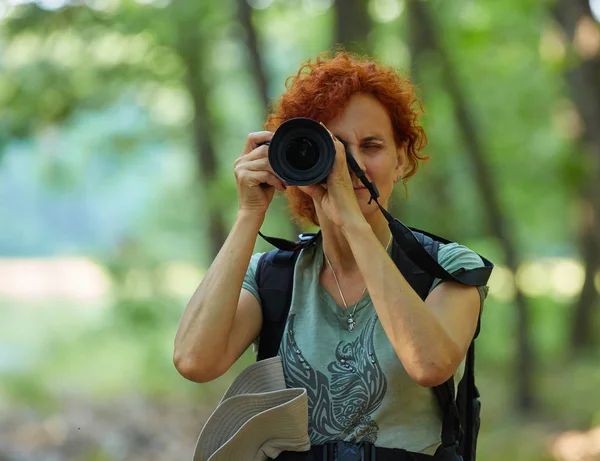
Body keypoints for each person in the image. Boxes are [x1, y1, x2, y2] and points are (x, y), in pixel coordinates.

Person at [174, 51, 489, 459]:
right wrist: (249, 213)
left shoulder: (447, 267)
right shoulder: (275, 278)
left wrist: (353, 221)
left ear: (401, 160)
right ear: (297, 160)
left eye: (371, 146)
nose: (352, 163)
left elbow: (430, 364)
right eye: (336, 147)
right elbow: (194, 361)